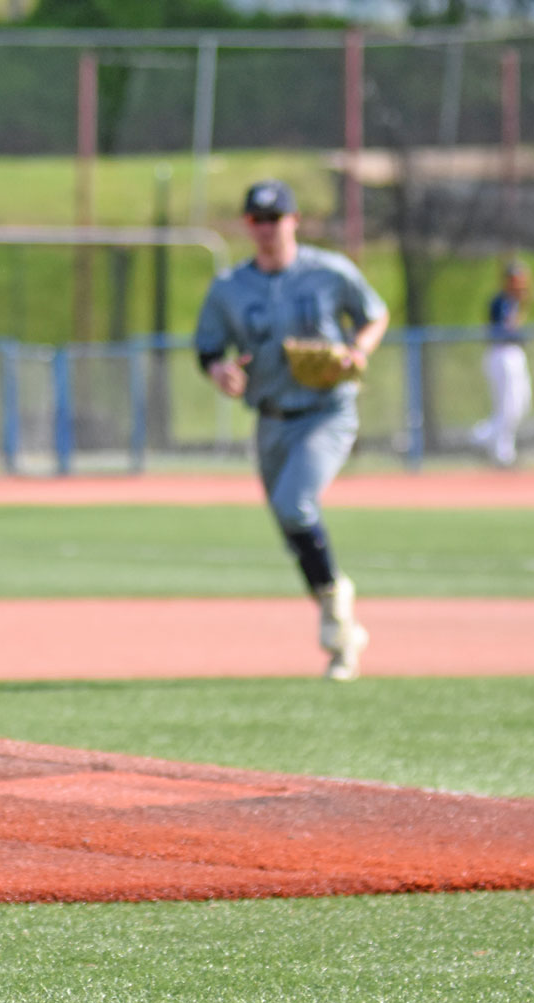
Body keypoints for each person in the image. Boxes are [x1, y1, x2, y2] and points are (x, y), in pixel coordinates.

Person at [193, 180, 390, 682]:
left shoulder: (328, 271)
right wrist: (220, 371)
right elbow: (209, 348)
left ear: (294, 220)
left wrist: (359, 350)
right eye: (256, 219)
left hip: (327, 410)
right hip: (272, 416)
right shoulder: (230, 288)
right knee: (291, 527)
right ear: (247, 225)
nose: (265, 228)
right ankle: (341, 622)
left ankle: (335, 615)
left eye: (274, 218)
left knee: (295, 506)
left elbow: (375, 313)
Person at [472, 260, 534, 467]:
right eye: (516, 280)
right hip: (501, 354)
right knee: (507, 405)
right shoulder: (501, 301)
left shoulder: (515, 301)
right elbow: (503, 328)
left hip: (514, 354)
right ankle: (503, 452)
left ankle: (483, 436)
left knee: (521, 404)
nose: (521, 285)